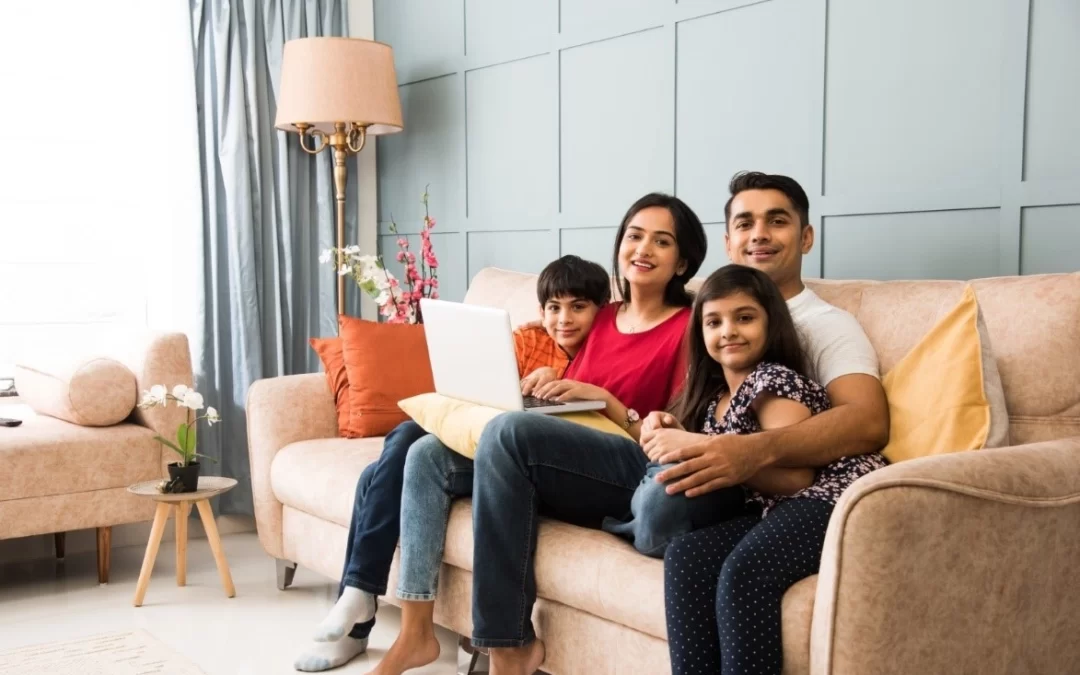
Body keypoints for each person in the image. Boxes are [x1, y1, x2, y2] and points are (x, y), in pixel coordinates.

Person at [392, 192, 718, 675]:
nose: (642, 248)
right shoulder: (604, 317)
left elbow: (667, 434)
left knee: (508, 434)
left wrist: (604, 400)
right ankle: (415, 630)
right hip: (570, 452)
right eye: (634, 235)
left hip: (633, 462)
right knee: (426, 454)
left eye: (661, 241)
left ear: (682, 261)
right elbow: (570, 381)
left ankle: (508, 647)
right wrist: (547, 385)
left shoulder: (692, 326)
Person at [293, 255, 611, 673]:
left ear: (601, 309)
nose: (563, 319)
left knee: (386, 468)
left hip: (518, 461)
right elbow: (485, 382)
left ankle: (359, 606)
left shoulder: (606, 349)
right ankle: (359, 596)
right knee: (386, 462)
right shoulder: (530, 339)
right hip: (479, 433)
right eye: (554, 308)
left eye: (578, 307)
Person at [659, 171, 890, 674]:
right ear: (728, 240)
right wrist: (654, 425)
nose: (759, 234)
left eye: (777, 221)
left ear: (805, 236)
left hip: (831, 494)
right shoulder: (722, 359)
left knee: (746, 571)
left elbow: (868, 424)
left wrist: (748, 452)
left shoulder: (818, 334)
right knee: (686, 559)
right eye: (746, 222)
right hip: (769, 500)